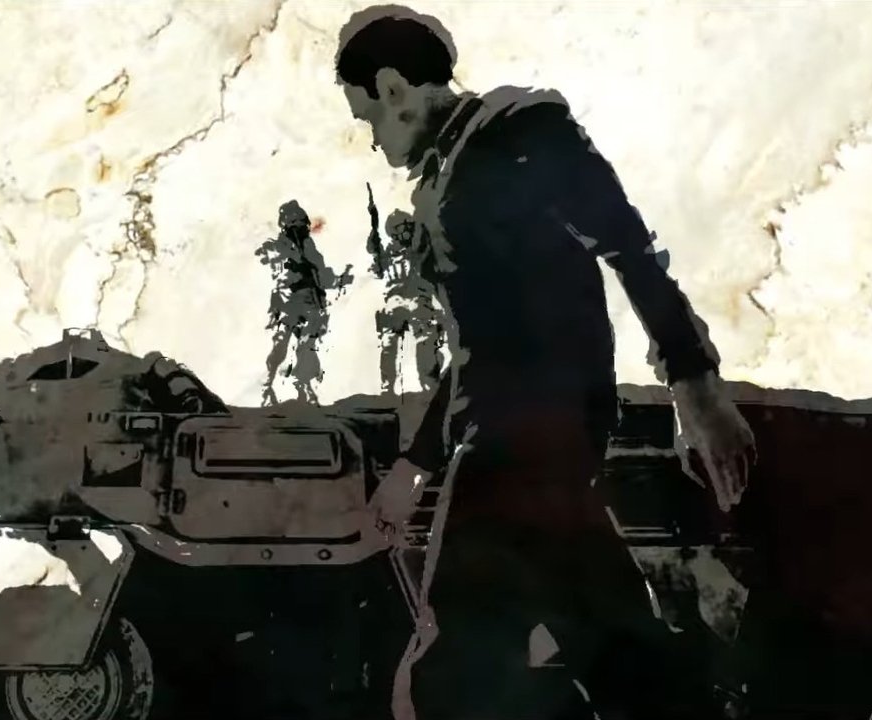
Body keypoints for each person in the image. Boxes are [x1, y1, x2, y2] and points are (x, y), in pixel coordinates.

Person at [334, 6, 758, 720]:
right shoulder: (446, 176)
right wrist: (415, 464)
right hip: (527, 442)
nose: (373, 141)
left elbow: (628, 246)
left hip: (527, 442)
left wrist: (695, 384)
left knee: (444, 680)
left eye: (368, 118)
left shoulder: (520, 130)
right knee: (623, 659)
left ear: (394, 87)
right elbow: (479, 345)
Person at [256, 200, 353, 405]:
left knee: (304, 346)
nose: (297, 225)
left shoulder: (305, 246)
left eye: (298, 221)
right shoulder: (280, 246)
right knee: (285, 345)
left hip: (305, 302)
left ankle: (302, 387)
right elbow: (282, 273)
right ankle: (270, 386)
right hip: (290, 302)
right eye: (293, 221)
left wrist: (338, 280)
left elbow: (321, 273)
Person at [366, 189, 445, 394]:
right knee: (396, 342)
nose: (407, 231)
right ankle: (397, 387)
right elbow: (374, 248)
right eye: (403, 227)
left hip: (410, 299)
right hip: (405, 300)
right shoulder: (397, 253)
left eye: (408, 227)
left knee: (410, 341)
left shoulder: (411, 250)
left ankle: (424, 384)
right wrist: (373, 223)